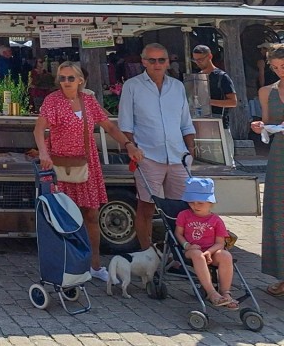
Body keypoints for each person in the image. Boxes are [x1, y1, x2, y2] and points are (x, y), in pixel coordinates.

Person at [34, 62, 143, 282]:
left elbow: (110, 126)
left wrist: (128, 144)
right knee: (62, 217)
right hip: (61, 164)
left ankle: (94, 264)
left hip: (86, 162)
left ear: (80, 80)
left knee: (91, 214)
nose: (65, 82)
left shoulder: (89, 102)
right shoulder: (52, 100)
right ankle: (68, 265)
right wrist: (44, 154)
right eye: (62, 78)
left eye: (70, 78)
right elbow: (39, 129)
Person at [118, 42, 196, 250]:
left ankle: (178, 256)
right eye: (152, 60)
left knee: (181, 209)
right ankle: (147, 254)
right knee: (146, 207)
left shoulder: (177, 87)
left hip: (178, 156)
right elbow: (125, 124)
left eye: (161, 60)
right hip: (147, 156)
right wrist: (132, 148)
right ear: (144, 62)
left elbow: (186, 123)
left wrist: (191, 150)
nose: (157, 64)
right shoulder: (132, 86)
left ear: (168, 62)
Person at [175, 176, 237, 309]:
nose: (195, 206)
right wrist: (187, 245)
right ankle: (211, 292)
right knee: (197, 254)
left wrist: (209, 252)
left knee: (226, 256)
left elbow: (220, 243)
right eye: (191, 202)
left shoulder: (216, 220)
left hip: (211, 250)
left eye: (200, 203)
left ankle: (225, 292)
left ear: (211, 203)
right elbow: (178, 233)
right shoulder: (184, 215)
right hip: (191, 250)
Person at [251, 46, 284, 297]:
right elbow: (268, 123)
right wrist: (259, 126)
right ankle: (282, 276)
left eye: (282, 65)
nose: (279, 71)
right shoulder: (266, 92)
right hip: (278, 157)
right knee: (278, 213)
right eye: (275, 67)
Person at [191, 45, 238, 167]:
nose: (198, 62)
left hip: (220, 124)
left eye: (200, 59)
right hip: (201, 125)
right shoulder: (196, 77)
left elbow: (233, 102)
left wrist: (208, 101)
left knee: (225, 161)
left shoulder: (222, 77)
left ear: (210, 56)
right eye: (195, 60)